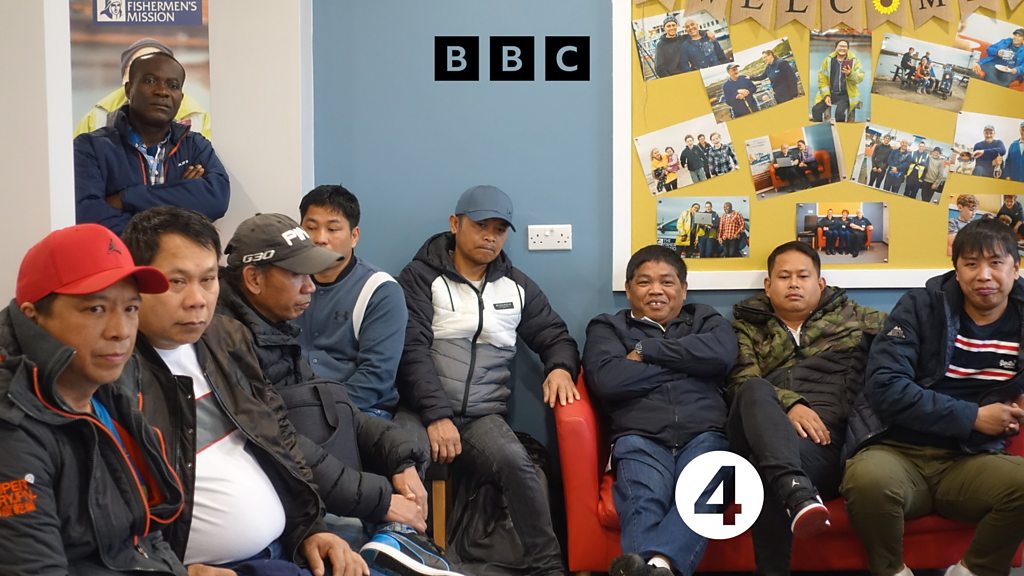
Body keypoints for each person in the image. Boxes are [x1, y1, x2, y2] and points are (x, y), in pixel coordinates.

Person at [119, 208, 367, 576]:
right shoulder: (113, 373)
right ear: (137, 283)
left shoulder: (226, 337)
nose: (197, 299)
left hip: (284, 550)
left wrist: (311, 529)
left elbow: (278, 437)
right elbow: (100, 515)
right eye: (177, 281)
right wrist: (173, 572)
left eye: (208, 279)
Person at [215, 211, 459, 576]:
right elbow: (282, 443)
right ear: (253, 278)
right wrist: (381, 501)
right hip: (288, 510)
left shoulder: (274, 328)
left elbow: (335, 403)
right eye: (297, 274)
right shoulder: (230, 340)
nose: (310, 287)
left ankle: (394, 540)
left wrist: (400, 458)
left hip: (315, 493)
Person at [395, 185, 580, 576]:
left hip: (482, 417)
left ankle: (549, 568)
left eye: (499, 229)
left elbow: (556, 336)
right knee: (403, 458)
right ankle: (406, 557)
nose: (490, 237)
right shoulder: (419, 277)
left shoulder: (517, 286)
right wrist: (437, 415)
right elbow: (411, 351)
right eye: (481, 225)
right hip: (421, 411)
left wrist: (560, 367)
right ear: (455, 224)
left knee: (517, 464)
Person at [0, 224, 186, 575]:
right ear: (32, 317)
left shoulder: (106, 391)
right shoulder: (13, 427)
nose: (120, 331)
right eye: (96, 309)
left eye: (131, 308)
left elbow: (145, 533)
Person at [842, 218, 1024, 576]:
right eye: (971, 264)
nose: (984, 275)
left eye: (995, 263)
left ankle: (973, 570)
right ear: (956, 270)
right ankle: (891, 570)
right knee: (865, 480)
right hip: (898, 450)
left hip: (971, 458)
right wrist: (973, 417)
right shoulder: (920, 306)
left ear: (1015, 269)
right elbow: (885, 386)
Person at [727, 241, 886, 576]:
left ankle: (791, 493)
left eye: (803, 276)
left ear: (821, 283)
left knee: (766, 468)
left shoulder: (857, 318)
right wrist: (790, 404)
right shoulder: (745, 327)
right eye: (784, 276)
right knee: (754, 388)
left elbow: (915, 339)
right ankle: (797, 491)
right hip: (760, 428)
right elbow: (740, 380)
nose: (794, 284)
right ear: (768, 285)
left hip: (824, 443)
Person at [587, 245, 738, 576]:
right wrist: (689, 366)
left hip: (706, 434)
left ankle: (654, 566)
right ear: (628, 289)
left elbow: (723, 355)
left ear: (683, 289)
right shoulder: (608, 327)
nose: (656, 290)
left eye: (667, 282)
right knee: (643, 500)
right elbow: (609, 380)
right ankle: (659, 567)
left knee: (706, 488)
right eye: (644, 282)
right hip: (639, 436)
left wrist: (646, 350)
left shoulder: (703, 319)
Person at [74, 52, 229, 235]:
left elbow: (216, 198)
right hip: (121, 255)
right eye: (150, 81)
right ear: (128, 90)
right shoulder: (90, 148)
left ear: (180, 97)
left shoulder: (194, 145)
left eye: (173, 85)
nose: (162, 91)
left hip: (180, 255)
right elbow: (89, 214)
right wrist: (181, 194)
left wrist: (126, 198)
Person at [296, 185, 409, 418]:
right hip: (296, 404)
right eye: (311, 228)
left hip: (361, 409)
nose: (320, 239)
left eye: (332, 229)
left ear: (354, 236)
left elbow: (376, 377)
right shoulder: (288, 282)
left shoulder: (380, 290)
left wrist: (319, 412)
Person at [74, 38, 212, 140]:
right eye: (149, 80)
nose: (160, 90)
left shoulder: (198, 117)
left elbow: (208, 165)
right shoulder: (98, 116)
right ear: (126, 81)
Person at [811, 39, 864, 123]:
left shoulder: (854, 61)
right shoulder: (828, 60)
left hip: (846, 95)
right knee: (816, 110)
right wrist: (826, 95)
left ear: (848, 49)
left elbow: (860, 78)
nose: (842, 48)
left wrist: (850, 74)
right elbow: (822, 79)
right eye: (840, 46)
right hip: (831, 93)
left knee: (839, 114)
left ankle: (840, 129)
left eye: (845, 46)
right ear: (835, 48)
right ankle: (820, 127)